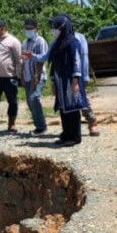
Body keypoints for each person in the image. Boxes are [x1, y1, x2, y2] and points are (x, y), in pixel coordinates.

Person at [22, 15, 100, 137]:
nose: (53, 29)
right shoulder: (56, 41)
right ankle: (68, 132)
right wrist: (33, 56)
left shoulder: (77, 39)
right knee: (64, 106)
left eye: (55, 26)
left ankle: (90, 123)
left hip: (74, 77)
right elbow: (47, 57)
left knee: (79, 102)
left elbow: (82, 58)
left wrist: (82, 78)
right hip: (60, 78)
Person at [47, 14, 88, 146]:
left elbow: (76, 61)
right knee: (63, 109)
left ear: (62, 27)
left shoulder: (73, 42)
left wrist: (75, 80)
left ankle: (75, 137)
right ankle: (66, 134)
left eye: (55, 27)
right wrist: (53, 81)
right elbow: (53, 63)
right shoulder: (58, 44)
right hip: (60, 81)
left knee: (72, 109)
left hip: (70, 80)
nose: (53, 30)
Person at [21, 18, 48, 135]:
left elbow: (41, 59)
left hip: (37, 76)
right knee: (29, 101)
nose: (28, 31)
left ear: (36, 29)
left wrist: (37, 75)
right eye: (26, 28)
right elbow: (23, 60)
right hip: (27, 76)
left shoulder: (40, 41)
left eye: (30, 29)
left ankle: (42, 126)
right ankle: (38, 125)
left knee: (34, 98)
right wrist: (22, 76)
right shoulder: (25, 43)